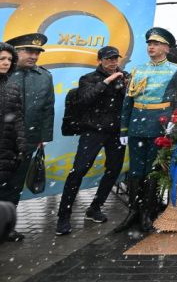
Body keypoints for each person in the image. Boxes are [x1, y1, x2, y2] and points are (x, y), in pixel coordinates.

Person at [116, 27, 177, 233]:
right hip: (137, 125)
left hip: (159, 125)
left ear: (166, 48)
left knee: (153, 170)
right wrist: (124, 129)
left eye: (156, 44)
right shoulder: (138, 70)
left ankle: (148, 212)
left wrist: (175, 119)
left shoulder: (176, 70)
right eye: (149, 43)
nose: (151, 47)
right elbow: (128, 101)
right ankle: (133, 210)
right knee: (135, 171)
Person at [55, 46, 129, 236]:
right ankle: (64, 215)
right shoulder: (88, 79)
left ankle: (95, 207)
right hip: (93, 131)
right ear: (100, 60)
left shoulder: (125, 76)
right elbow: (84, 100)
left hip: (115, 133)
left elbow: (131, 100)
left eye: (115, 59)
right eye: (108, 59)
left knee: (113, 170)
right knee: (78, 170)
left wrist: (126, 85)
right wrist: (107, 81)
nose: (113, 62)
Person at [0, 33, 54, 242]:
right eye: (28, 51)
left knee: (14, 187)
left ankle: (6, 228)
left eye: (37, 52)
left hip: (27, 142)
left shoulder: (44, 76)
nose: (34, 56)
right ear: (15, 53)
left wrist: (44, 137)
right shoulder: (6, 74)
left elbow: (47, 109)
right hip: (3, 141)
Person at [0, 43, 24, 242]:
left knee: (7, 191)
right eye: (2, 59)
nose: (6, 63)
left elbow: (17, 119)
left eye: (9, 59)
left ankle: (6, 229)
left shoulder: (12, 86)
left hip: (8, 148)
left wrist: (22, 146)